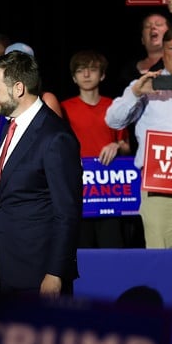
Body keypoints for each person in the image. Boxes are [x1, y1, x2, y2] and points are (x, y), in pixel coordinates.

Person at [0, 50, 83, 298]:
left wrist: (55, 273)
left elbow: (68, 212)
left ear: (18, 88)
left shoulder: (55, 136)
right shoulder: (9, 126)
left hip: (40, 275)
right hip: (7, 268)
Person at [105, 26, 172, 249]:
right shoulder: (145, 85)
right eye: (171, 48)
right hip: (160, 186)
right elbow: (113, 121)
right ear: (163, 52)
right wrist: (135, 93)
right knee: (161, 257)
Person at [0, 0, 63, 149]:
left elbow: (57, 143)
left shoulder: (45, 100)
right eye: (11, 63)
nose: (17, 69)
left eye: (24, 64)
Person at [61, 49, 130, 248]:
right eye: (81, 70)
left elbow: (127, 148)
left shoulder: (115, 107)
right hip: (79, 189)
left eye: (92, 69)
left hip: (110, 190)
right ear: (74, 77)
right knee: (81, 248)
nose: (86, 74)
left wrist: (117, 145)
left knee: (113, 246)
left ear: (102, 75)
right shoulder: (63, 108)